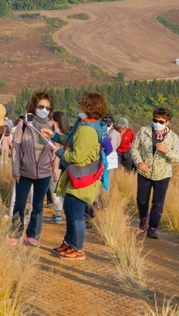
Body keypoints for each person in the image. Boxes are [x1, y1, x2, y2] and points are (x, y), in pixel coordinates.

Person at [48, 92, 109, 261]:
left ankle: (77, 248)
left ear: (89, 108)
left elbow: (77, 157)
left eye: (81, 105)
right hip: (78, 177)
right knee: (70, 210)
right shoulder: (87, 125)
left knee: (76, 215)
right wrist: (53, 136)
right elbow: (72, 140)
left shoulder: (87, 129)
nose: (78, 108)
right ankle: (69, 243)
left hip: (81, 178)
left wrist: (58, 151)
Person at [9, 92, 59, 246]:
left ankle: (32, 235)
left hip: (44, 173)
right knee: (20, 204)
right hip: (24, 171)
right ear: (34, 106)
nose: (44, 109)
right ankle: (15, 233)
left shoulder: (53, 126)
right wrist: (15, 170)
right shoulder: (23, 125)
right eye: (41, 106)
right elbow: (16, 148)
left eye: (47, 107)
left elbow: (57, 150)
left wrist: (55, 172)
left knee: (37, 206)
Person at [131, 107, 179, 239]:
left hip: (162, 175)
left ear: (168, 122)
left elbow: (178, 158)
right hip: (144, 172)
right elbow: (134, 149)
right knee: (142, 200)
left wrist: (167, 151)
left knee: (158, 203)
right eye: (155, 120)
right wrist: (139, 162)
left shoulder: (173, 137)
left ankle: (153, 227)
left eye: (161, 121)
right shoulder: (144, 131)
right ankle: (143, 218)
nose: (158, 123)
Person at [47, 110, 70, 225]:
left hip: (56, 166)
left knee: (55, 191)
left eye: (51, 120)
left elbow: (54, 154)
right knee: (63, 192)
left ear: (56, 122)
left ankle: (57, 215)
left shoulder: (55, 136)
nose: (49, 122)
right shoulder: (68, 134)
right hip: (66, 167)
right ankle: (64, 213)